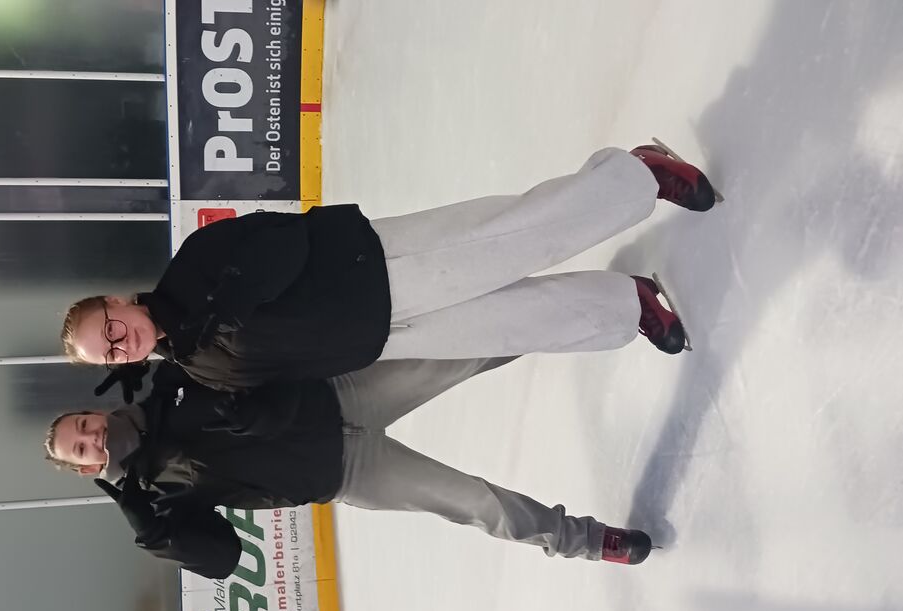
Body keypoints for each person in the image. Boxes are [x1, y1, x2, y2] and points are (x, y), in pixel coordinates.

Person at [60, 143, 716, 397]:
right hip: (383, 337)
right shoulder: (195, 366)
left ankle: (636, 175)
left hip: (377, 268)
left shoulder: (192, 267)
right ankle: (627, 305)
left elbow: (283, 241)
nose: (121, 344)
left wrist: (222, 303)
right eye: (109, 353)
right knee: (520, 323)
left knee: (521, 237)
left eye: (109, 329)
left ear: (118, 302)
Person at [42, 358, 654, 580]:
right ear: (85, 469)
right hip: (347, 473)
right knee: (478, 505)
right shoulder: (159, 500)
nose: (93, 437)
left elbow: (227, 348)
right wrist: (155, 533)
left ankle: (596, 310)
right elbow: (223, 559)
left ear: (92, 411)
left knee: (467, 353)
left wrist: (160, 355)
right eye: (82, 448)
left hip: (344, 395)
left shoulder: (166, 387)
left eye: (84, 425)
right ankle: (588, 541)